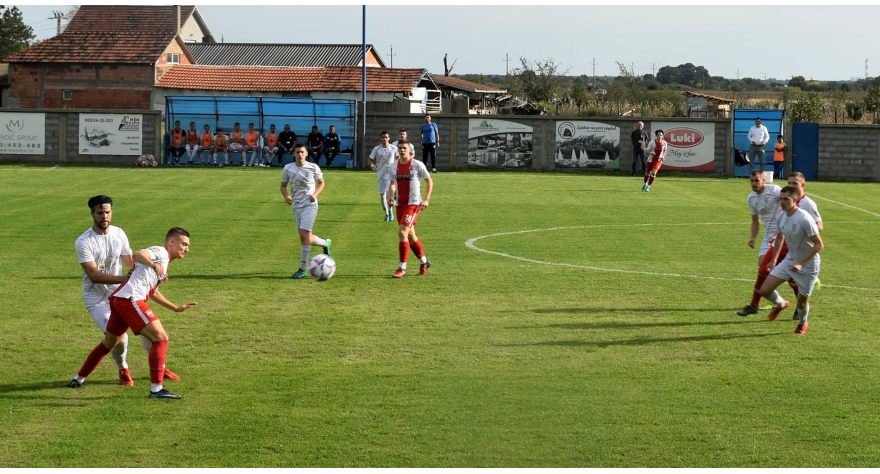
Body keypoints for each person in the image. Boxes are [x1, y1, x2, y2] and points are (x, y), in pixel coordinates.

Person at [68, 227, 196, 399]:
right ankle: (157, 389)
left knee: (108, 343)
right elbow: (137, 255)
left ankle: (78, 378)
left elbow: (152, 292)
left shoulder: (163, 264)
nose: (186, 249)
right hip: (129, 300)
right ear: (172, 242)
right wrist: (153, 264)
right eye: (184, 244)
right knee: (161, 338)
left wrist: (175, 307)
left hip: (119, 299)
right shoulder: (161, 253)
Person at [759, 186, 824, 335]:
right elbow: (780, 237)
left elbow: (819, 245)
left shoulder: (804, 219)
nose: (782, 202)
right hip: (790, 260)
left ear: (795, 200)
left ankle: (802, 323)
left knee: (801, 302)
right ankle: (781, 304)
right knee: (765, 290)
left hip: (808, 265)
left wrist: (801, 263)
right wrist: (774, 259)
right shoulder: (781, 216)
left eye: (786, 199)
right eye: (780, 199)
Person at [737, 170, 785, 317]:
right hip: (768, 237)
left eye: (757, 180)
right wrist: (753, 237)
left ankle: (756, 305)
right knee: (761, 271)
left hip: (782, 235)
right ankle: (781, 303)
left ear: (764, 180)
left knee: (769, 273)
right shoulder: (751, 198)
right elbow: (755, 221)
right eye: (751, 181)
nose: (754, 183)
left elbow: (789, 200)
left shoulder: (774, 190)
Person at [281, 143, 332, 279]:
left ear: (306, 154)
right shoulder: (288, 168)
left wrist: (314, 195)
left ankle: (302, 268)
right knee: (306, 237)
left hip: (310, 205)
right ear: (294, 154)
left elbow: (321, 182)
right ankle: (325, 243)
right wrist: (286, 196)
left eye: (302, 152)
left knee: (304, 235)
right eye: (297, 152)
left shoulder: (312, 167)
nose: (300, 155)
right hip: (296, 206)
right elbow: (283, 186)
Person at [389, 139, 433, 278]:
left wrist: (426, 199)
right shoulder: (393, 166)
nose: (402, 150)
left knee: (402, 233)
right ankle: (424, 262)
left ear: (410, 150)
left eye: (404, 148)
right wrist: (390, 197)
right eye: (400, 148)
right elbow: (392, 184)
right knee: (410, 236)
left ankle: (402, 267)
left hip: (413, 204)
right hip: (400, 205)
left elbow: (429, 181)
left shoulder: (417, 164)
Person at [369, 131, 398, 222]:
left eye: (386, 137)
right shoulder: (377, 149)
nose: (385, 139)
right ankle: (387, 213)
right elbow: (370, 160)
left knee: (388, 195)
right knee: (382, 196)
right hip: (380, 175)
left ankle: (390, 212)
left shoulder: (394, 148)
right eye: (383, 137)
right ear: (381, 138)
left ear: (389, 138)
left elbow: (398, 159)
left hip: (391, 175)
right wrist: (372, 165)